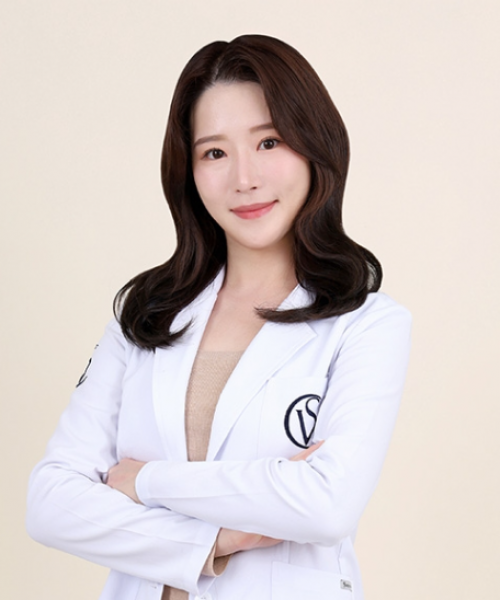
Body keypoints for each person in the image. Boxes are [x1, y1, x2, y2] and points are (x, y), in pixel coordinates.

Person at [26, 34, 411, 600]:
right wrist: (214, 541)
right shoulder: (147, 316)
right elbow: (50, 503)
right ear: (188, 170)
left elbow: (326, 505)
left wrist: (145, 480)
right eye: (214, 153)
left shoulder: (366, 324)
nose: (244, 178)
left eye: (269, 141)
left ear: (315, 146)